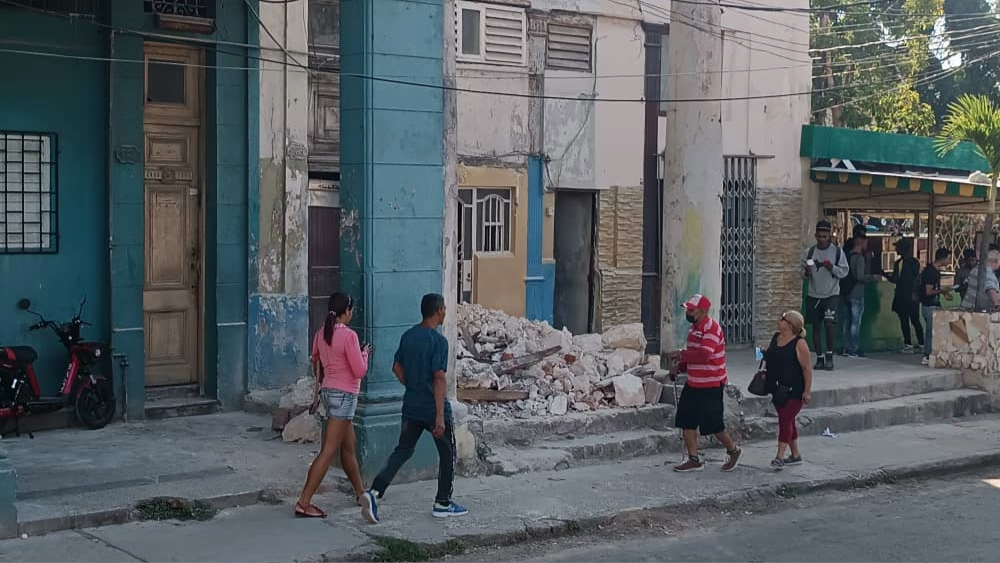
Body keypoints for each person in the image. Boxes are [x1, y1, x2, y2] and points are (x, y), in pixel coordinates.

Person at [361, 294, 468, 524]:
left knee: (402, 451)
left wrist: (412, 385)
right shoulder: (438, 341)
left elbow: (396, 367)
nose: (445, 312)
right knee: (448, 453)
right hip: (433, 407)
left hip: (411, 406)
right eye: (444, 309)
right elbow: (439, 378)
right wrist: (439, 416)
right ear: (438, 310)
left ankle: (375, 492)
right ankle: (442, 502)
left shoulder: (408, 336)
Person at [294, 292, 371, 519]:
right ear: (346, 311)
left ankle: (360, 493)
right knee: (328, 451)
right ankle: (304, 501)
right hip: (345, 396)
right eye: (351, 310)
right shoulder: (349, 336)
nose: (352, 313)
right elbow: (359, 371)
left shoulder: (321, 333)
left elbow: (315, 359)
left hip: (329, 393)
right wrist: (364, 354)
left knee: (348, 445)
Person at [666, 294, 743, 473]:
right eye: (687, 309)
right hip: (694, 383)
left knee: (714, 425)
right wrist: (679, 367)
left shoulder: (712, 329)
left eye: (691, 310)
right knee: (686, 421)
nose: (688, 312)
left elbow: (704, 355)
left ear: (702, 311)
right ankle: (694, 459)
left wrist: (680, 354)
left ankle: (733, 450)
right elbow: (693, 354)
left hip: (711, 384)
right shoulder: (693, 330)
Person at [762, 311, 813, 470]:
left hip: (794, 390)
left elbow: (806, 368)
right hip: (777, 388)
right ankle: (796, 454)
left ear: (791, 324)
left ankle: (780, 456)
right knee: (788, 421)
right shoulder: (776, 337)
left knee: (785, 420)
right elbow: (771, 356)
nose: (780, 321)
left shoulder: (800, 344)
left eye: (783, 319)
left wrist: (807, 390)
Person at [801, 220, 849, 371]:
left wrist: (832, 267)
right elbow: (802, 274)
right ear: (815, 235)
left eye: (825, 236)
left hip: (831, 294)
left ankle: (829, 356)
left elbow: (844, 271)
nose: (822, 239)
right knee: (816, 327)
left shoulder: (837, 252)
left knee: (829, 324)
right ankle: (819, 358)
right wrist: (807, 272)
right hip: (814, 294)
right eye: (819, 236)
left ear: (829, 236)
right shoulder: (809, 253)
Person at [885, 238, 923, 353]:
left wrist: (883, 274)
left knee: (904, 321)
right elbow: (918, 279)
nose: (896, 249)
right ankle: (922, 344)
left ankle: (908, 344)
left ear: (902, 249)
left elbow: (895, 279)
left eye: (897, 247)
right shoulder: (915, 262)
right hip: (913, 297)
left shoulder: (899, 263)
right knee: (916, 320)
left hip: (902, 296)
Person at [919, 248, 952, 366]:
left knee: (934, 330)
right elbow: (928, 291)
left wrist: (943, 292)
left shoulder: (935, 271)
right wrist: (942, 291)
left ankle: (932, 353)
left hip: (934, 304)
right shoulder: (931, 272)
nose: (949, 261)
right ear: (943, 258)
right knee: (930, 331)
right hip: (929, 305)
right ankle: (927, 355)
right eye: (948, 258)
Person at [840, 233, 869, 358]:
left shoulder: (846, 255)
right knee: (855, 322)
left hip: (845, 292)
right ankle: (854, 349)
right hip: (856, 293)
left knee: (847, 320)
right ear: (860, 242)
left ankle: (845, 347)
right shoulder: (859, 258)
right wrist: (871, 278)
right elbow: (860, 276)